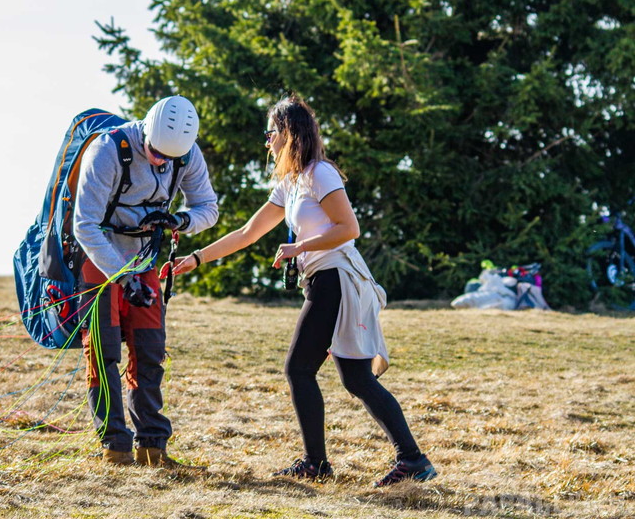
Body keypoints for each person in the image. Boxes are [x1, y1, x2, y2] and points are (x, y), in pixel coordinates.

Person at [170, 96, 437, 486]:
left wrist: (301, 247)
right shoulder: (290, 183)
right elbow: (248, 233)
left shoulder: (319, 174)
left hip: (337, 279)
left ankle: (322, 463)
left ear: (289, 133)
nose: (267, 142)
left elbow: (350, 228)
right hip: (323, 281)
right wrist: (196, 258)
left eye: (271, 133)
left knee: (300, 369)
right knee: (356, 379)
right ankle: (409, 460)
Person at [73, 95, 218, 467]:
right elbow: (84, 225)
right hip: (99, 260)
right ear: (146, 133)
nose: (161, 162)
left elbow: (208, 209)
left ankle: (152, 445)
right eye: (155, 153)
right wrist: (122, 278)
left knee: (150, 352)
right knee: (103, 355)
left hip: (144, 259)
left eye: (169, 159)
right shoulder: (108, 150)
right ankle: (115, 446)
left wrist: (180, 221)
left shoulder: (186, 153)